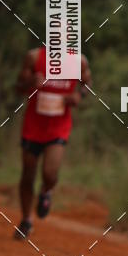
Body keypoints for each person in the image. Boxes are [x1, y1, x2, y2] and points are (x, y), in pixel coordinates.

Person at [14, 46, 91, 239]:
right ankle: (26, 221)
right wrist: (31, 82)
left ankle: (46, 191)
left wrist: (78, 96)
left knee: (50, 172)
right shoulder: (34, 57)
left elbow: (87, 84)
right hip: (33, 126)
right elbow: (18, 87)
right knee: (28, 174)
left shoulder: (78, 61)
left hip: (58, 127)